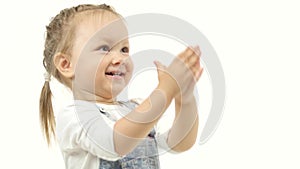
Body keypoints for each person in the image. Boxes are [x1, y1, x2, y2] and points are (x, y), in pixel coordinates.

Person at [39, 3, 203, 169]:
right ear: (67, 64)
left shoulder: (136, 108)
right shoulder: (75, 115)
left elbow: (179, 143)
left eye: (124, 49)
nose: (120, 58)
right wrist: (165, 90)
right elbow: (116, 144)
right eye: (104, 48)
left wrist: (185, 98)